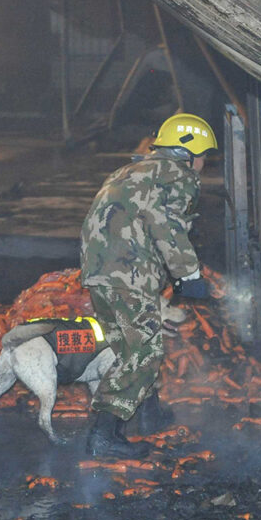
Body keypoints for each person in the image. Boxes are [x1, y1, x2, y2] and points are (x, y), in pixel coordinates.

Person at [79, 113, 216, 458]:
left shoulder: (131, 171)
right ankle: (104, 435)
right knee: (143, 351)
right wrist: (189, 276)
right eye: (204, 156)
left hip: (100, 274)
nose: (204, 164)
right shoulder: (176, 176)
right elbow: (167, 226)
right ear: (189, 153)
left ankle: (149, 415)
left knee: (132, 347)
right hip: (129, 276)